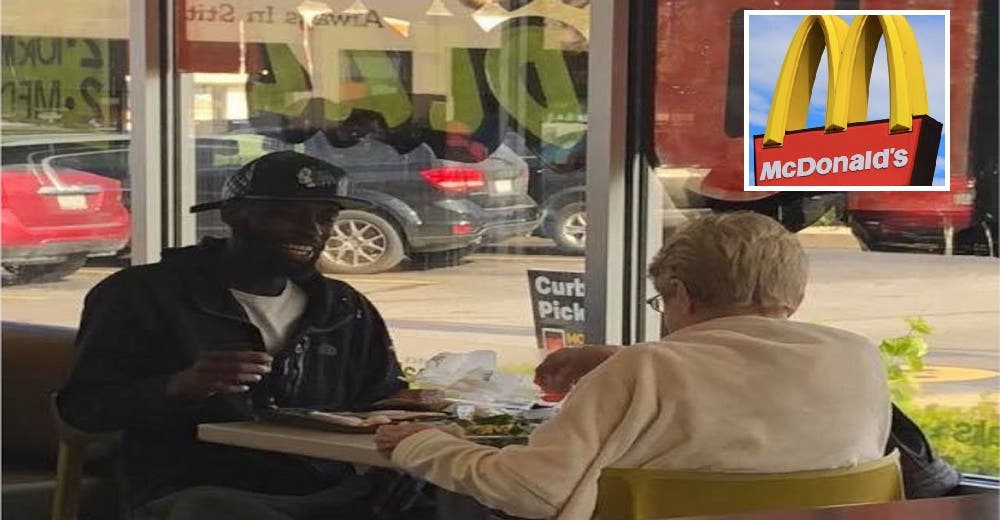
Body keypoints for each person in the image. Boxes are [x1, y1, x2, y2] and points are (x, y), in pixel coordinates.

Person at [375, 212, 892, 519]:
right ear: (796, 297)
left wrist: (424, 444)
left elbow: (530, 490)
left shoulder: (644, 372)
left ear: (681, 296)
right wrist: (619, 359)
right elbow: (754, 378)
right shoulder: (858, 359)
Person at [59, 151, 422, 519]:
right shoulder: (142, 294)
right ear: (233, 214)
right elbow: (83, 410)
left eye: (325, 217)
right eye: (286, 214)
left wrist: (409, 450)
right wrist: (180, 385)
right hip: (199, 487)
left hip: (334, 485)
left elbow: (383, 401)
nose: (311, 230)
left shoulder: (343, 307)